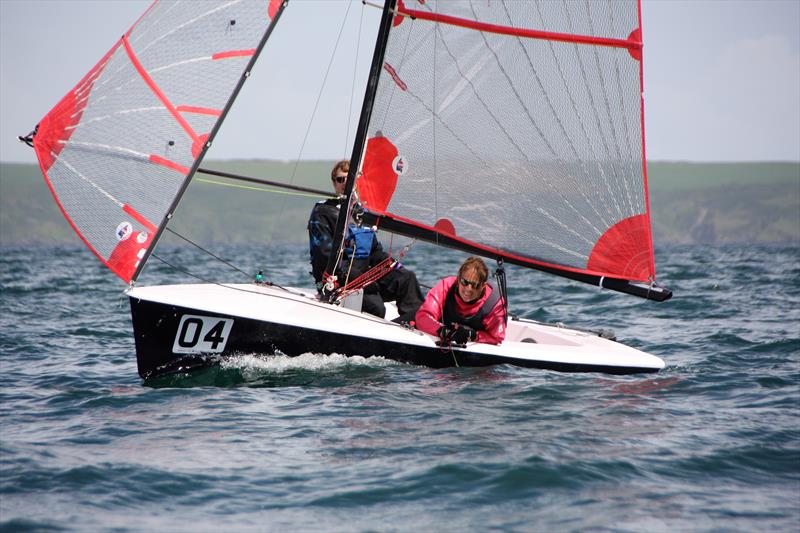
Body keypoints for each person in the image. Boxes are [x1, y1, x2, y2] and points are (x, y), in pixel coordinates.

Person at [307, 160, 423, 322]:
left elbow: (376, 253)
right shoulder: (323, 213)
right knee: (376, 307)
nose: (345, 183)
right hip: (337, 280)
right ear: (334, 183)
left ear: (356, 182)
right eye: (340, 179)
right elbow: (324, 257)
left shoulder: (361, 214)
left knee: (406, 279)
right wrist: (363, 281)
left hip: (364, 277)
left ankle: (412, 324)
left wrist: (393, 267)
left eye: (349, 179)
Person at [415, 256, 506, 346]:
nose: (468, 289)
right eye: (464, 282)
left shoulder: (494, 304)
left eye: (475, 285)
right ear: (458, 279)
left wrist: (473, 335)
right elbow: (423, 317)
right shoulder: (446, 287)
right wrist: (446, 332)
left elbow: (497, 337)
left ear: (483, 286)